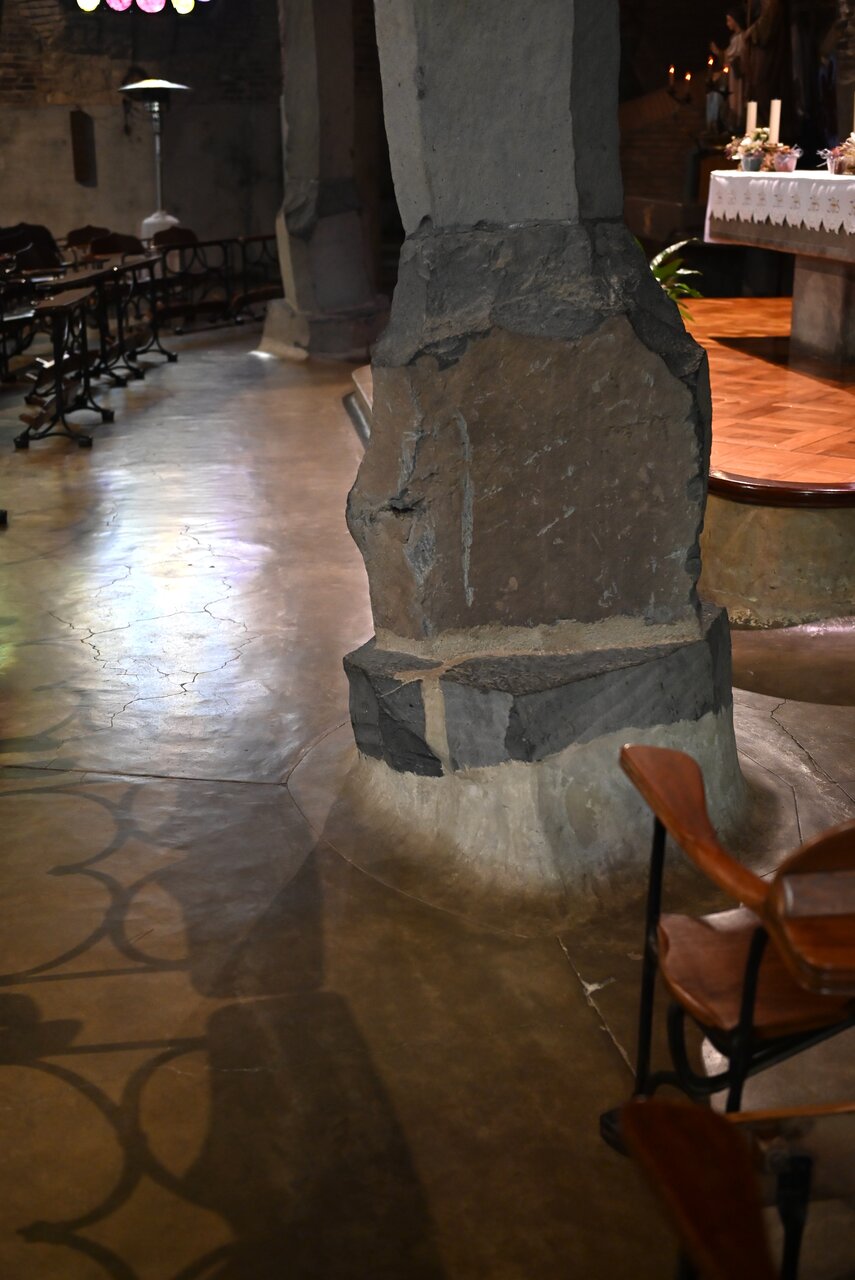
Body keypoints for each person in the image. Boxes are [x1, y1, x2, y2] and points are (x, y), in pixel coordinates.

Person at [710, 9, 751, 132]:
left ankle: (738, 124)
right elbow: (729, 55)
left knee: (737, 97)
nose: (727, 23)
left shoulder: (740, 37)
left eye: (729, 20)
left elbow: (733, 55)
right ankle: (732, 123)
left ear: (736, 21)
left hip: (738, 73)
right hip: (733, 73)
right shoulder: (734, 37)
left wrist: (719, 53)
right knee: (732, 98)